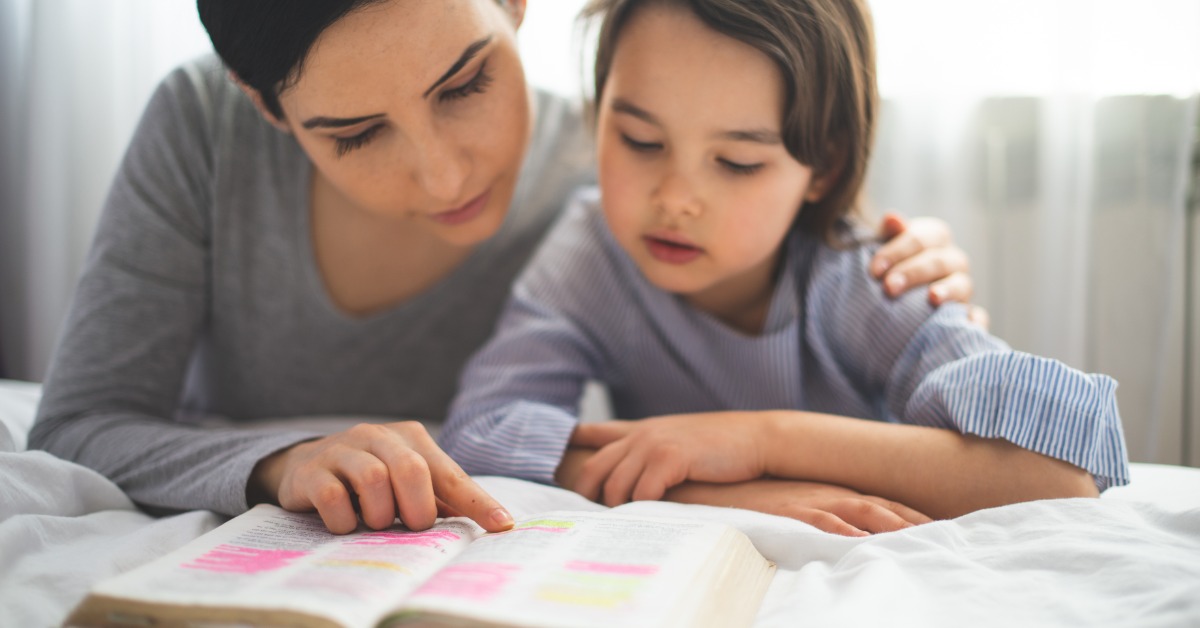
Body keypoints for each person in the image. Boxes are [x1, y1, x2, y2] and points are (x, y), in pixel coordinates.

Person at [31, 0, 978, 535]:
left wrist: (898, 257)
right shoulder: (205, 127)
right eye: (355, 134)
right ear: (265, 107)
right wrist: (280, 460)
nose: (446, 175)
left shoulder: (618, 171)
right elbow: (81, 421)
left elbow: (787, 193)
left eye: (467, 83)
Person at [439, 0, 1130, 536]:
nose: (675, 199)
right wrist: (722, 491)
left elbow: (1061, 474)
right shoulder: (593, 252)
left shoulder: (865, 279)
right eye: (640, 140)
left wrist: (757, 440)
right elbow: (480, 432)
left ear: (821, 168)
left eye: (738, 162)